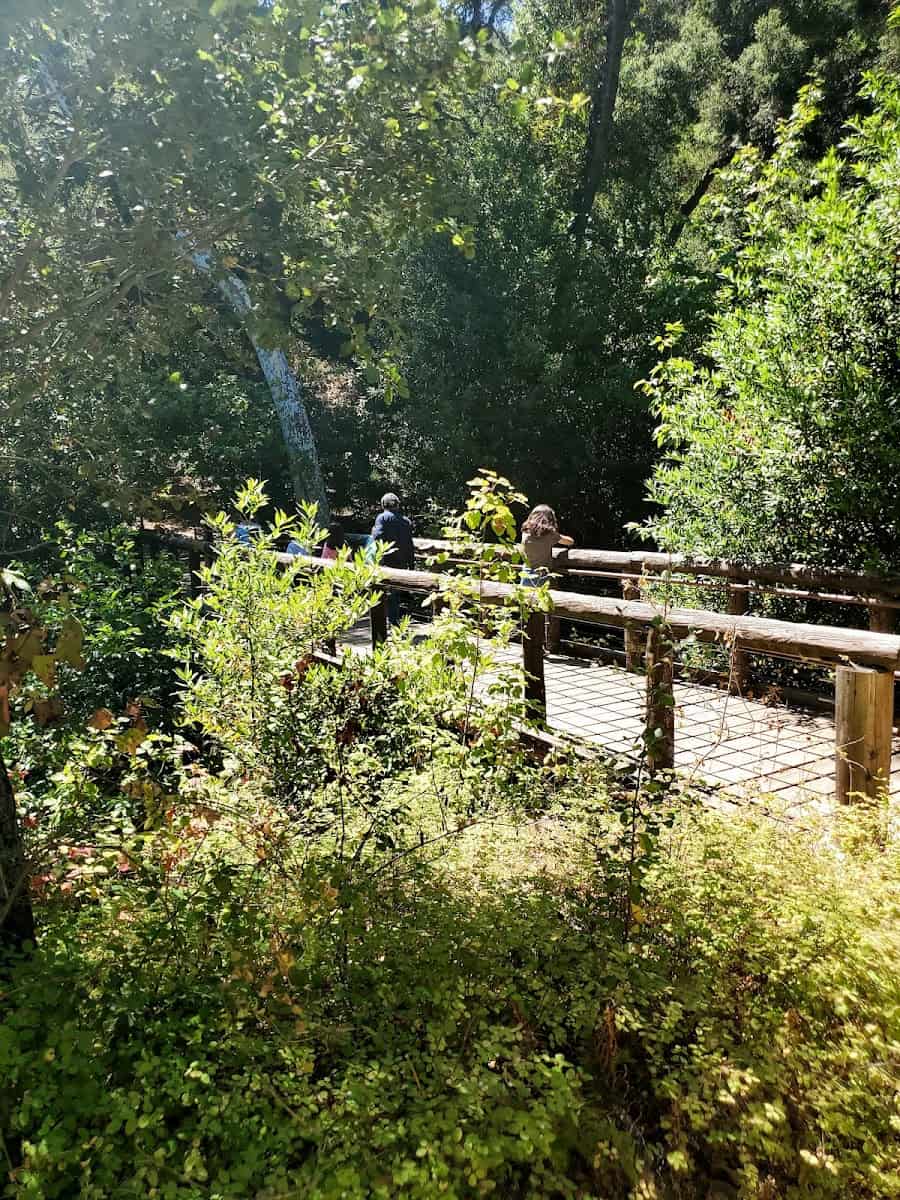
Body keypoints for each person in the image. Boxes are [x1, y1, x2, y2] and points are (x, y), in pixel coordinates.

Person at [370, 492, 415, 625]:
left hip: (386, 560)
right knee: (396, 593)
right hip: (401, 561)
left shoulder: (382, 518)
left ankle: (388, 622)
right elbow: (410, 544)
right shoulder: (406, 521)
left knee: (385, 592)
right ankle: (396, 621)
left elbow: (377, 537)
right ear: (397, 505)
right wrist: (411, 563)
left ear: (383, 505)